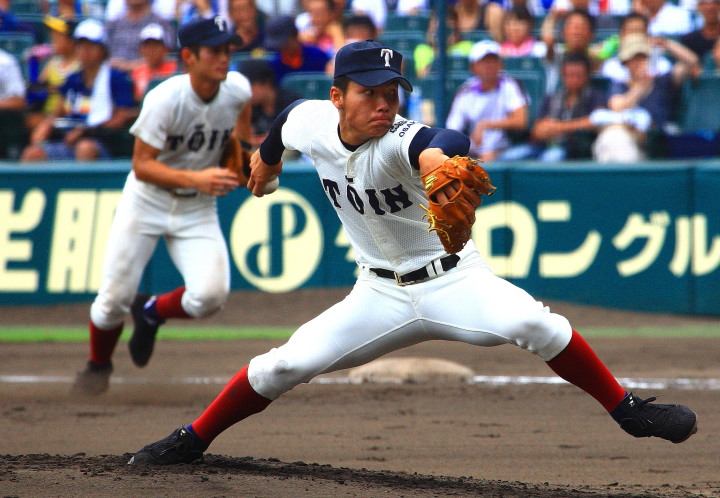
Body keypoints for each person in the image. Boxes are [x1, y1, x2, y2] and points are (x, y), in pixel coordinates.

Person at [127, 39, 698, 466]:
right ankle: (192, 439)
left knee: (536, 323)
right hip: (376, 294)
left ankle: (627, 410)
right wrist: (267, 159)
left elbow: (445, 141)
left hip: (454, 282)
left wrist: (434, 159)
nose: (383, 103)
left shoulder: (401, 139)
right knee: (281, 365)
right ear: (336, 97)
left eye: (391, 92)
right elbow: (284, 123)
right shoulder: (311, 120)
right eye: (369, 92)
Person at [70, 17, 252, 396]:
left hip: (197, 208)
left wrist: (245, 159)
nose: (224, 57)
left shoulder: (237, 89)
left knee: (209, 297)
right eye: (214, 51)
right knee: (113, 301)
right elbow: (142, 165)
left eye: (227, 49)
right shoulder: (165, 99)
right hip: (146, 201)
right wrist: (197, 178)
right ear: (189, 57)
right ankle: (98, 365)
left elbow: (242, 133)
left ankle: (151, 312)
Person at [20, 18, 137, 162]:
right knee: (32, 153)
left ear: (102, 49)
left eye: (90, 46)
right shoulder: (72, 79)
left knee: (85, 147)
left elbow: (120, 118)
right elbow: (57, 112)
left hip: (103, 143)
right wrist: (45, 127)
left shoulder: (116, 78)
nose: (85, 51)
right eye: (81, 46)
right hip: (69, 142)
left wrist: (84, 131)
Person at [592, 33, 698, 161]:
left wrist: (667, 44)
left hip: (657, 142)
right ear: (625, 63)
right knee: (612, 137)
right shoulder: (619, 85)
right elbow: (617, 106)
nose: (639, 63)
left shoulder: (663, 80)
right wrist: (640, 86)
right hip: (627, 137)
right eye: (634, 59)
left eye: (643, 57)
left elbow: (692, 61)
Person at [445, 40, 529, 162]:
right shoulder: (465, 91)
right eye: (484, 61)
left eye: (493, 60)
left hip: (505, 151)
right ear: (473, 67)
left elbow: (521, 121)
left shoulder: (510, 85)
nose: (489, 65)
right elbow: (453, 129)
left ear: (501, 64)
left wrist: (486, 124)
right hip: (472, 153)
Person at [526, 52, 607, 160]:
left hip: (578, 151)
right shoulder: (552, 98)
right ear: (563, 76)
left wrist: (560, 126)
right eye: (569, 75)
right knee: (513, 156)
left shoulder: (596, 96)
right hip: (545, 146)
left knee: (552, 157)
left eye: (578, 75)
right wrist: (543, 130)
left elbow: (598, 121)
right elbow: (536, 131)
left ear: (587, 75)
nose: (574, 79)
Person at [238, 58, 302, 148]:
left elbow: (295, 137)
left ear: (266, 83)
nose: (246, 92)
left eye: (249, 87)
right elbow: (244, 137)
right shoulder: (249, 106)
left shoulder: (291, 102)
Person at [106, 0, 176, 73]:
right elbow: (104, 54)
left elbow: (168, 55)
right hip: (115, 74)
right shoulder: (113, 25)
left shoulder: (162, 23)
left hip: (151, 74)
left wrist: (134, 66)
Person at [263, 15, 330, 83]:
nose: (281, 48)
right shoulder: (275, 64)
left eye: (284, 43)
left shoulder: (317, 56)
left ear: (294, 36)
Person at [130, 23, 178, 101]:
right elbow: (137, 99)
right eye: (147, 46)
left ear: (165, 48)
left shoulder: (175, 68)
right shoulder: (137, 72)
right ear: (141, 50)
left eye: (155, 45)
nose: (151, 50)